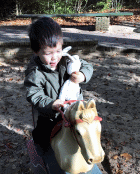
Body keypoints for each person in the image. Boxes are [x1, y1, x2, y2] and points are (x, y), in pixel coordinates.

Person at [24, 17, 93, 151]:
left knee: (86, 130)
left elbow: (86, 65)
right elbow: (34, 94)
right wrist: (51, 104)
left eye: (58, 50)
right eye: (48, 53)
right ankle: (43, 155)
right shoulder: (35, 72)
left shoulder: (67, 59)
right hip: (51, 116)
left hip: (74, 108)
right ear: (36, 51)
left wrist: (83, 75)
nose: (55, 57)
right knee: (42, 138)